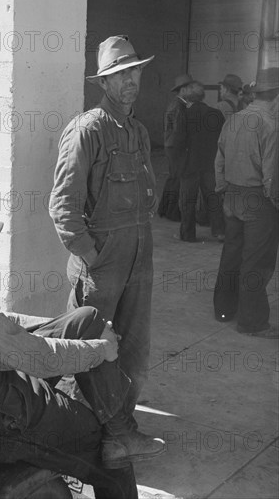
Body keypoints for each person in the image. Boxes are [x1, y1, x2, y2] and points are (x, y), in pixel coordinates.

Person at [0, 209, 165, 498]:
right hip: (5, 424)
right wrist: (101, 351)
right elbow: (43, 358)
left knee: (86, 319)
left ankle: (119, 427)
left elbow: (0, 324)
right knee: (107, 452)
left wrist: (60, 329)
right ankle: (116, 437)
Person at [49, 35, 158, 441]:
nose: (130, 80)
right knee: (89, 350)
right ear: (105, 83)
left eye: (135, 71)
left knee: (132, 349)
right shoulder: (86, 131)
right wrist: (93, 256)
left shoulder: (138, 131)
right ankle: (74, 436)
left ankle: (119, 430)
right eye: (120, 74)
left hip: (139, 255)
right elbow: (63, 205)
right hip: (101, 262)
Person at [213, 67, 279, 337]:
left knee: (232, 253)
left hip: (231, 194)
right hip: (257, 199)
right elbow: (270, 173)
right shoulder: (271, 125)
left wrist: (222, 189)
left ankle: (224, 309)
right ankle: (252, 322)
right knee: (257, 261)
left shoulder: (235, 119)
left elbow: (219, 159)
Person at [177, 81, 225, 242]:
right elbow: (222, 140)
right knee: (213, 198)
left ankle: (188, 234)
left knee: (187, 201)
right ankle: (219, 231)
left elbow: (179, 141)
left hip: (190, 164)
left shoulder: (184, 115)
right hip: (211, 163)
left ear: (187, 98)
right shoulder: (216, 114)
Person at [157, 73, 195, 222]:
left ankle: (164, 209)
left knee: (173, 177)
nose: (192, 91)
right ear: (183, 90)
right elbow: (179, 131)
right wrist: (185, 148)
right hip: (176, 147)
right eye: (190, 88)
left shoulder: (177, 104)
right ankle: (172, 212)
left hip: (171, 145)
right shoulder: (179, 106)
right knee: (177, 179)